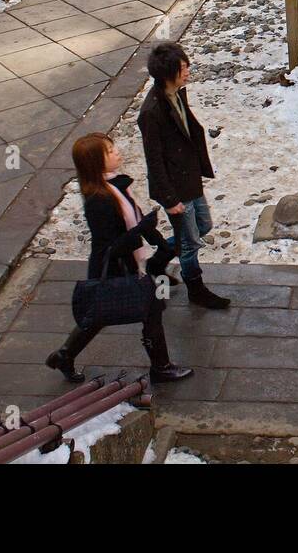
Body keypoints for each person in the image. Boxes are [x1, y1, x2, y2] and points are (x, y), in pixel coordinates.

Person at [44, 133, 193, 385]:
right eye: (110, 151)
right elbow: (111, 246)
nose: (117, 152)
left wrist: (155, 238)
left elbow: (132, 220)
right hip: (116, 266)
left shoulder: (114, 186)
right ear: (95, 162)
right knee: (146, 311)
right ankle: (161, 368)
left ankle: (65, 355)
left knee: (100, 315)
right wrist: (142, 228)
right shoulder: (99, 200)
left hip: (125, 264)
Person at [138, 43, 231, 310]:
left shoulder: (175, 94)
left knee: (203, 227)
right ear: (169, 74)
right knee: (190, 242)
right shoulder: (152, 113)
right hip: (175, 188)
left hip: (189, 180)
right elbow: (153, 161)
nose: (188, 71)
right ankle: (196, 289)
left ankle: (158, 260)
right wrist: (169, 200)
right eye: (183, 68)